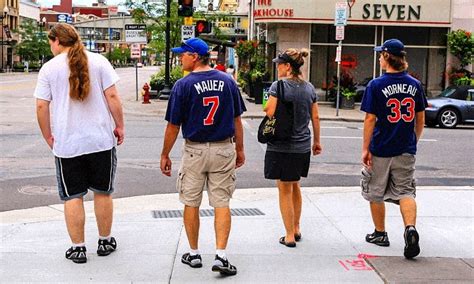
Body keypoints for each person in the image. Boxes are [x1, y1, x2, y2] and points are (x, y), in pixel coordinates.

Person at [34, 23, 124, 264]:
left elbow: (42, 106)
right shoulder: (100, 61)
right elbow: (113, 96)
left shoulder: (48, 69)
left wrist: (48, 136)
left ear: (57, 41)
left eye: (50, 42)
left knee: (73, 196)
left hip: (67, 145)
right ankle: (105, 241)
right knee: (103, 193)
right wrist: (120, 126)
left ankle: (78, 248)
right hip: (100, 142)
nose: (50, 47)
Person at [160, 38, 246, 276]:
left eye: (183, 54)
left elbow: (173, 125)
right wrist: (240, 149)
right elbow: (237, 119)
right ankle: (221, 254)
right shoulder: (228, 82)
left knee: (191, 201)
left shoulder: (183, 85)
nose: (180, 58)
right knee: (221, 202)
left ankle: (194, 252)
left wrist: (165, 153)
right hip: (223, 148)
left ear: (195, 56)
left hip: (194, 150)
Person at [360, 39, 427, 259]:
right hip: (405, 147)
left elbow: (370, 118)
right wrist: (413, 140)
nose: (379, 57)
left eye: (381, 54)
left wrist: (365, 148)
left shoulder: (376, 85)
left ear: (387, 57)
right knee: (405, 191)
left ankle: (380, 233)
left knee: (375, 190)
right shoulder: (415, 85)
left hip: (381, 147)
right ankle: (410, 229)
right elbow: (420, 118)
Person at [264, 48, 322, 247]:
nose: (277, 67)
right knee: (295, 184)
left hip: (281, 145)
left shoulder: (277, 86)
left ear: (288, 66)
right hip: (302, 145)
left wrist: (267, 104)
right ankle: (296, 227)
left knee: (284, 188)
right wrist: (317, 141)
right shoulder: (309, 88)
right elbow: (315, 116)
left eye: (279, 63)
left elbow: (269, 111)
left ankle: (288, 235)